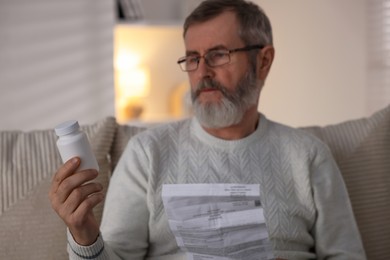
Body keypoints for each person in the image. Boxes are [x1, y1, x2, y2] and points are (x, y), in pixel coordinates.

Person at [49, 0, 366, 259]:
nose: (202, 72)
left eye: (218, 55)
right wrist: (84, 234)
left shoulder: (308, 156)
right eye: (192, 58)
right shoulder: (147, 154)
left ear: (264, 61)